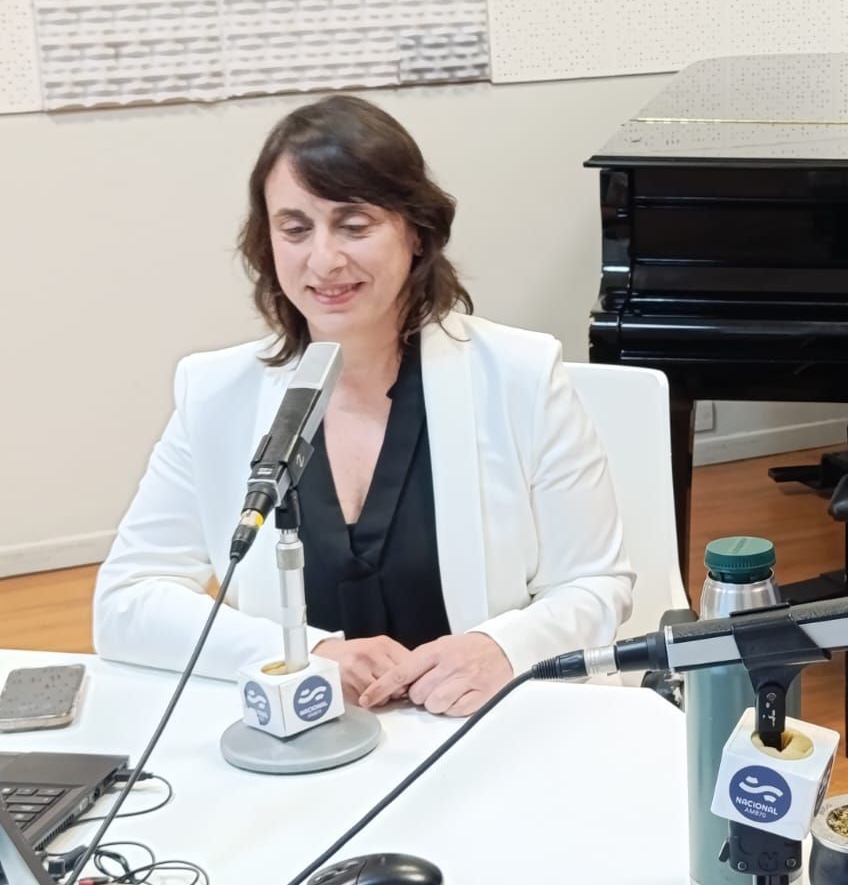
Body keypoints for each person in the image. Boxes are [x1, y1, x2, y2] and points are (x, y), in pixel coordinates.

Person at [94, 95, 635, 717]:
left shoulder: (521, 375)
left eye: (354, 225)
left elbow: (596, 584)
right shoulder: (215, 392)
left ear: (417, 233)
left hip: (481, 721)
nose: (324, 260)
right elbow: (126, 601)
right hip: (308, 737)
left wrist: (501, 648)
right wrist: (303, 653)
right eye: (295, 229)